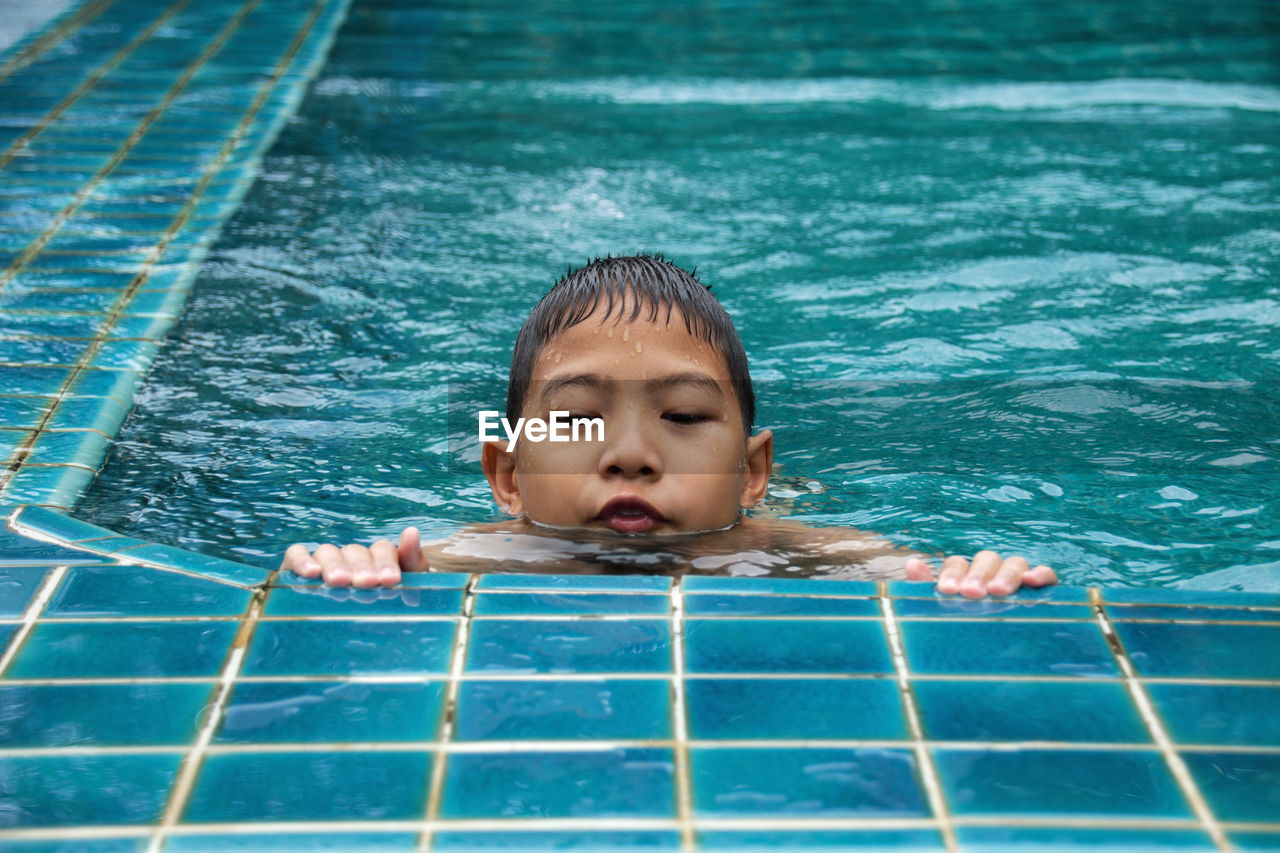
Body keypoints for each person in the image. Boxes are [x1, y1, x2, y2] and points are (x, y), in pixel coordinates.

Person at [281, 255, 1057, 598]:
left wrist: (973, 579)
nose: (630, 455)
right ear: (508, 477)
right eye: (581, 420)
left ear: (752, 470)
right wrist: (366, 566)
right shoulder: (480, 553)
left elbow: (924, 573)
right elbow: (385, 562)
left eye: (683, 416)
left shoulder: (789, 549)